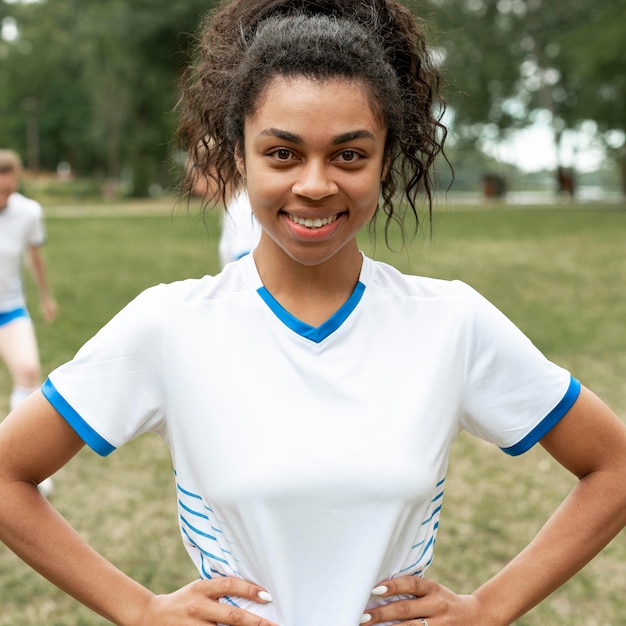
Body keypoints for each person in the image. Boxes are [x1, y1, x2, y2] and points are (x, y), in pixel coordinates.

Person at [0, 1, 625, 625]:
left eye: (350, 155)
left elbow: (614, 466)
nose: (316, 184)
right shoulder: (170, 324)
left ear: (386, 161)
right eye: (283, 154)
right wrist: (136, 608)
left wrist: (490, 606)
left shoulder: (451, 322)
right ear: (238, 157)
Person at [0, 149, 56, 495]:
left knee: (29, 372)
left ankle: (25, 462)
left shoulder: (28, 213)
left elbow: (35, 258)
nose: (2, 198)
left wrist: (45, 296)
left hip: (10, 308)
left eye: (7, 191)